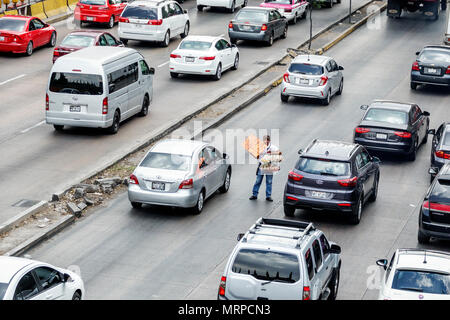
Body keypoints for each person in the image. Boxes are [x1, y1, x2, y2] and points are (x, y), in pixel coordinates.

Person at [249, 135, 280, 202]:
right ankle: (254, 194)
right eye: (264, 141)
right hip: (262, 166)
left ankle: (268, 196)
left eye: (267, 140)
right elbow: (257, 156)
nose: (266, 142)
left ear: (269, 140)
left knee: (269, 181)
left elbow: (278, 155)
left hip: (270, 166)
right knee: (258, 181)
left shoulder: (274, 148)